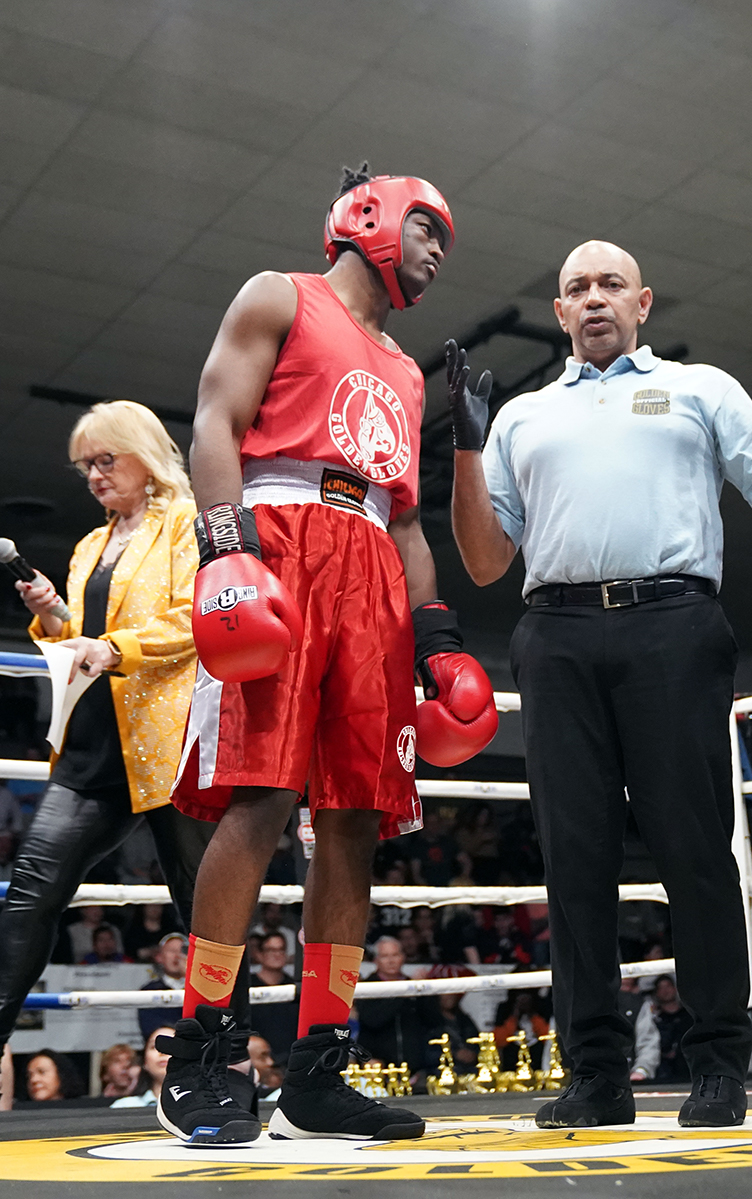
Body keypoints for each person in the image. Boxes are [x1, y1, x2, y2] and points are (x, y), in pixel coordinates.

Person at [449, 239, 752, 1128]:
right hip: (557, 632)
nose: (592, 299)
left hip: (674, 623)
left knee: (694, 849)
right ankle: (595, 1073)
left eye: (609, 284)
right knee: (574, 859)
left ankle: (719, 1062)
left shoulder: (700, 390)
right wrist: (467, 441)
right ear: (559, 309)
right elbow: (483, 556)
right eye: (574, 288)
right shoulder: (525, 416)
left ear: (643, 302)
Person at [159, 164, 496, 1146]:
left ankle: (317, 1065)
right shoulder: (280, 296)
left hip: (371, 573)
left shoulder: (401, 368)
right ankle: (203, 1042)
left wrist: (432, 632)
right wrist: (226, 547)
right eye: (427, 226)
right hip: (276, 533)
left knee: (351, 819)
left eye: (443, 239)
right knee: (260, 796)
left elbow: (406, 514)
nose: (436, 251)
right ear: (368, 216)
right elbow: (213, 424)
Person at [0, 401, 251, 1104]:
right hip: (91, 746)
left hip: (168, 743)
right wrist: (53, 613)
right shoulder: (89, 546)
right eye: (86, 466)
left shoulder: (186, 523)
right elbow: (74, 640)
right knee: (29, 894)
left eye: (106, 460)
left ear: (144, 454)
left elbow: (197, 617)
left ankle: (228, 1066)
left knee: (206, 911)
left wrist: (115, 646)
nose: (94, 476)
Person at [353, 936, 440, 1080]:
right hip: (378, 1070)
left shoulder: (414, 986)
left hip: (416, 1072)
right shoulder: (367, 987)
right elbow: (372, 1020)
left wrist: (424, 991)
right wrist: (407, 990)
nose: (391, 961)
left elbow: (434, 1020)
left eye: (395, 955)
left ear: (403, 957)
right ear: (376, 960)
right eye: (385, 956)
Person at [138, 932, 187, 1040]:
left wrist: (190, 980)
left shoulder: (200, 989)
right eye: (171, 951)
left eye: (183, 951)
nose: (177, 956)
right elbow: (150, 1028)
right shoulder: (149, 990)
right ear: (159, 957)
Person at [111, 1026, 172, 1108]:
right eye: (154, 1046)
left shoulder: (195, 1106)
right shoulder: (124, 1107)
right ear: (145, 1062)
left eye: (172, 1045)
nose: (162, 1052)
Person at [619, 977, 660, 1084]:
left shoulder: (635, 1004)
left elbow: (648, 1041)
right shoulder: (585, 1002)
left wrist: (642, 1069)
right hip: (589, 1075)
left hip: (630, 1076)